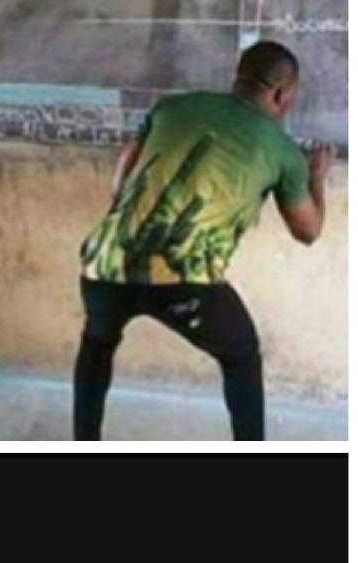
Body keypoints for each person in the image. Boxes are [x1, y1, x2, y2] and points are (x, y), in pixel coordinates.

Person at [74, 40, 334, 442]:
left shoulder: (172, 107)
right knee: (242, 354)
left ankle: (83, 443)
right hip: (184, 280)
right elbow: (308, 231)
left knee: (97, 343)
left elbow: (123, 173)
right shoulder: (284, 152)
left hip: (105, 263)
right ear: (281, 95)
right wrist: (317, 178)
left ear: (238, 79)